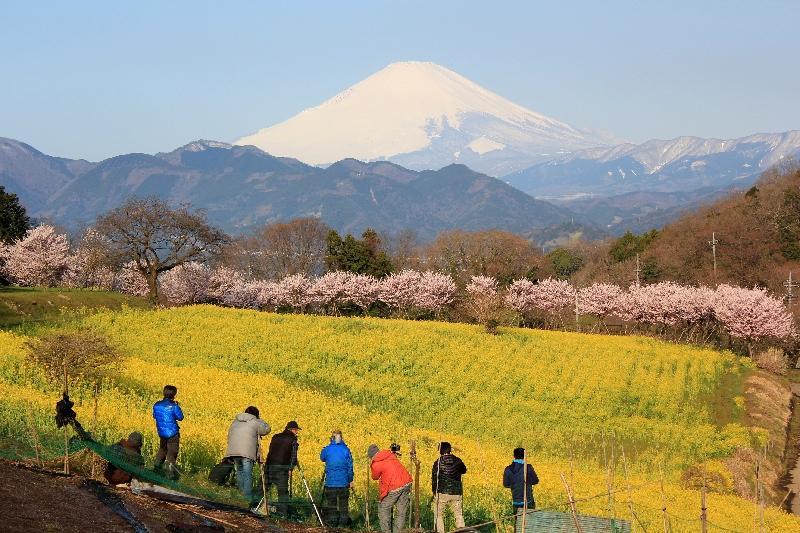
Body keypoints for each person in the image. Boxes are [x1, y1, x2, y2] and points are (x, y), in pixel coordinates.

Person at [224, 406, 271, 506]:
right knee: (247, 474)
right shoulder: (255, 422)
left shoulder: (235, 421)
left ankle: (241, 494)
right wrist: (261, 420)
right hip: (247, 452)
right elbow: (267, 430)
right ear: (256, 414)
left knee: (240, 472)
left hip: (234, 451)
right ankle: (247, 497)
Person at [368, 443, 413, 533]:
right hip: (407, 482)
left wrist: (372, 464)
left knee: (384, 509)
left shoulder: (376, 462)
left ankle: (386, 531)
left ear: (371, 456)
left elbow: (375, 477)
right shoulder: (389, 454)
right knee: (401, 511)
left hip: (395, 486)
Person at [266, 420, 301, 517]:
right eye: (296, 430)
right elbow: (293, 456)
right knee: (283, 492)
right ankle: (282, 513)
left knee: (263, 488)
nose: (297, 432)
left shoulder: (275, 437)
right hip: (282, 469)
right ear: (292, 429)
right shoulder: (293, 440)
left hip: (270, 466)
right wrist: (290, 468)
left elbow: (270, 451)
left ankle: (254, 506)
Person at [320, 430, 354, 527]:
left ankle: (333, 525)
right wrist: (350, 480)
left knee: (332, 506)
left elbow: (322, 458)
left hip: (331, 483)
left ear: (332, 438)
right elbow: (350, 467)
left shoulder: (327, 449)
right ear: (341, 438)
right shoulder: (346, 450)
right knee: (344, 507)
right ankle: (343, 525)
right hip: (344, 483)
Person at [431, 441, 467, 533]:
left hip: (442, 492)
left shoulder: (437, 462)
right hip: (456, 493)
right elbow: (464, 470)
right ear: (450, 449)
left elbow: (434, 479)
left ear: (440, 450)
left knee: (439, 514)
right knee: (458, 514)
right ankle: (462, 530)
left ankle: (440, 531)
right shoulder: (458, 461)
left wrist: (434, 492)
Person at [152, 384, 184, 479]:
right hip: (172, 433)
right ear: (174, 395)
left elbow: (154, 416)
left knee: (162, 450)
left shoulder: (157, 404)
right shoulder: (174, 406)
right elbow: (180, 417)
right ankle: (170, 475)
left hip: (162, 432)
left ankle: (156, 470)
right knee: (172, 454)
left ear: (164, 393)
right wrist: (177, 406)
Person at [502, 448, 539, 516]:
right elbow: (536, 481)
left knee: (517, 521)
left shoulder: (508, 469)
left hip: (515, 501)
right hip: (528, 501)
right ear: (524, 456)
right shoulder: (528, 467)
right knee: (529, 521)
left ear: (514, 456)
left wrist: (515, 484)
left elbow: (505, 484)